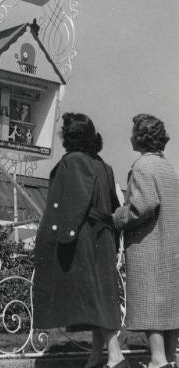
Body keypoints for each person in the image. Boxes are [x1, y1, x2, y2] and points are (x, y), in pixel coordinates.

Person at [33, 113, 126, 368]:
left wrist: (62, 237)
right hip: (103, 236)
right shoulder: (103, 166)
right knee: (101, 293)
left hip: (83, 237)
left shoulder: (72, 162)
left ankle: (115, 355)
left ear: (69, 137)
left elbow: (72, 204)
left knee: (93, 296)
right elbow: (114, 205)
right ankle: (97, 355)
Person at [113, 114, 179, 368]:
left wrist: (118, 216)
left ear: (142, 138)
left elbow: (142, 207)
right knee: (170, 308)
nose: (130, 136)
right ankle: (170, 359)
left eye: (133, 133)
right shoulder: (167, 167)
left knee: (150, 304)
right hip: (170, 245)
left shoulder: (142, 166)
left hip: (149, 246)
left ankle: (158, 361)